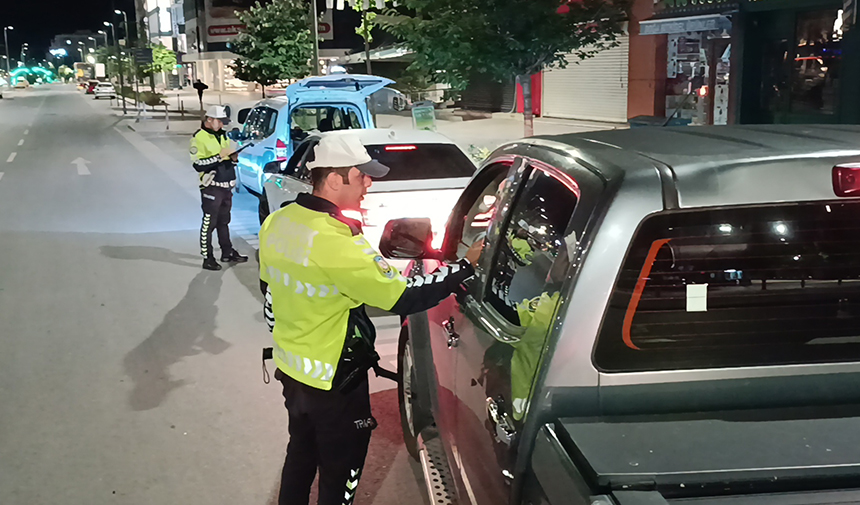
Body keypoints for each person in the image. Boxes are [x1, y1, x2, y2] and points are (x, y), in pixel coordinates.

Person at [258, 131, 482, 505]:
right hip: (334, 381)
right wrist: (463, 268)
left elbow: (270, 295)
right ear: (333, 179)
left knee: (301, 454)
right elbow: (403, 295)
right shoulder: (336, 241)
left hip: (292, 369)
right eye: (360, 174)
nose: (368, 182)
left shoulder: (279, 222)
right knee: (340, 471)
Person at [190, 105, 248, 271]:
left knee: (224, 222)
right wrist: (219, 157)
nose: (222, 125)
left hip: (226, 186)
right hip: (211, 188)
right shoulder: (198, 138)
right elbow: (198, 164)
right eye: (220, 121)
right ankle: (207, 257)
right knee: (209, 223)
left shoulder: (222, 135)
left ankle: (227, 252)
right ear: (209, 119)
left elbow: (226, 159)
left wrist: (233, 158)